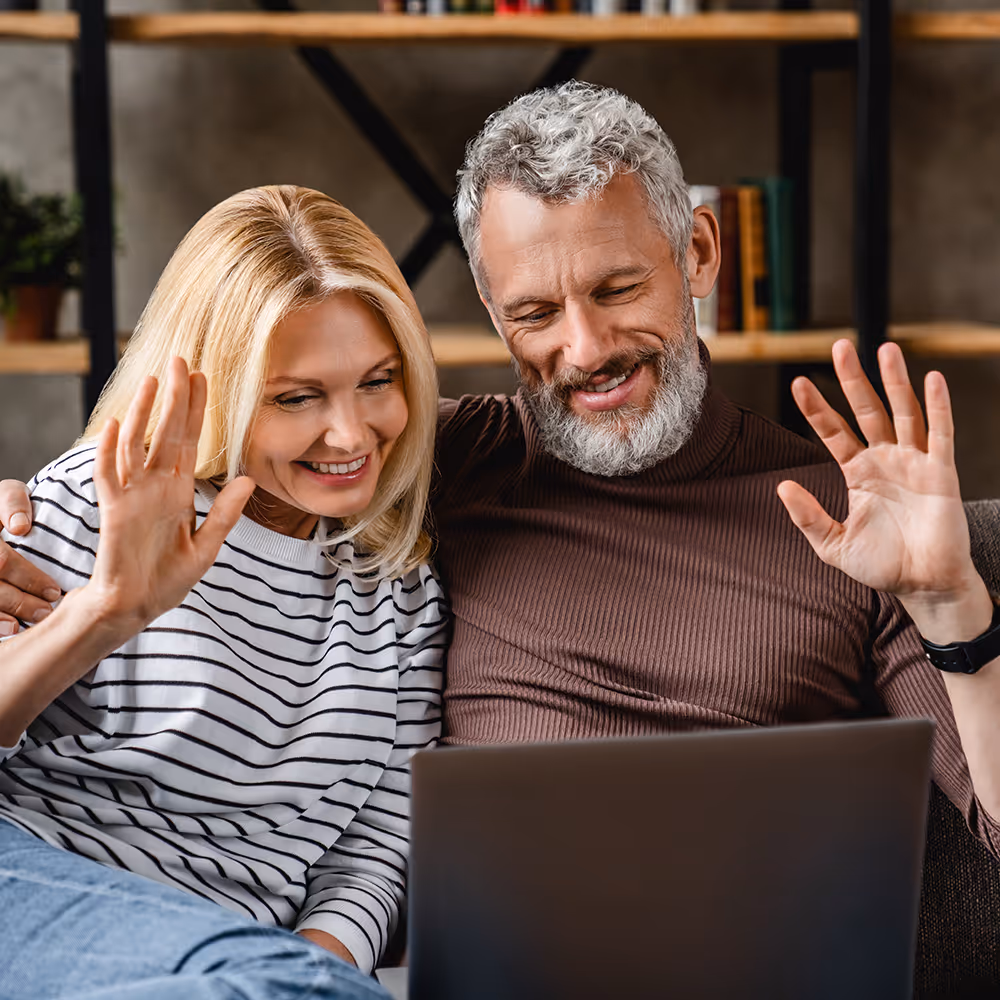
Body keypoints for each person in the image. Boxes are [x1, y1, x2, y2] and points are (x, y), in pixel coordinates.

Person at [3, 82, 999, 854]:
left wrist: (949, 599)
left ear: (697, 255)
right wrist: (25, 519)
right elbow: (230, 439)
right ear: (491, 315)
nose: (584, 346)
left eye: (618, 288)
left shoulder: (848, 517)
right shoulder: (429, 456)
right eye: (533, 313)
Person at [0, 185, 444, 999]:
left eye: (378, 381)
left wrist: (321, 966)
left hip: (236, 965)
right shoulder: (99, 501)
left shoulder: (402, 592)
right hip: (34, 889)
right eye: (296, 398)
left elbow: (378, 841)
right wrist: (108, 611)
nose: (350, 435)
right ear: (214, 389)